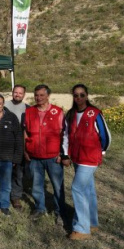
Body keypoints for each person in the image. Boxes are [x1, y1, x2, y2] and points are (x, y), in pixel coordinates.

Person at [63, 84, 111, 241]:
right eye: (76, 95)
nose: (79, 98)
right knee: (88, 189)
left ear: (87, 95)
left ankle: (82, 228)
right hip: (77, 158)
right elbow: (66, 136)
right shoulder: (71, 114)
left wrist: (101, 151)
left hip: (89, 159)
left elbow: (106, 136)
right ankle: (91, 222)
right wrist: (67, 154)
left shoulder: (94, 113)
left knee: (77, 188)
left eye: (82, 95)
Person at [24, 84, 67, 223]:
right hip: (35, 156)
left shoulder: (58, 112)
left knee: (57, 186)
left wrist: (63, 154)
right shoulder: (29, 112)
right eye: (36, 95)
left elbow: (64, 134)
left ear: (48, 95)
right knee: (36, 186)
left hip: (54, 157)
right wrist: (26, 150)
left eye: (42, 95)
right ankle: (39, 208)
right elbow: (25, 133)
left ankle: (60, 211)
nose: (39, 98)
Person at [0, 93, 23, 216]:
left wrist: (16, 158)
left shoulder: (11, 117)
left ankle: (5, 205)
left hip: (7, 158)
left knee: (6, 184)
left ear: (3, 104)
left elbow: (18, 138)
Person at [5, 84, 29, 209]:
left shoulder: (28, 109)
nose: (17, 94)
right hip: (5, 145)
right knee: (4, 171)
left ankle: (15, 197)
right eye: (16, 92)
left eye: (20, 93)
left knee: (18, 173)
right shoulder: (4, 106)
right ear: (12, 92)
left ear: (24, 95)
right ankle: (3, 194)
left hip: (20, 146)